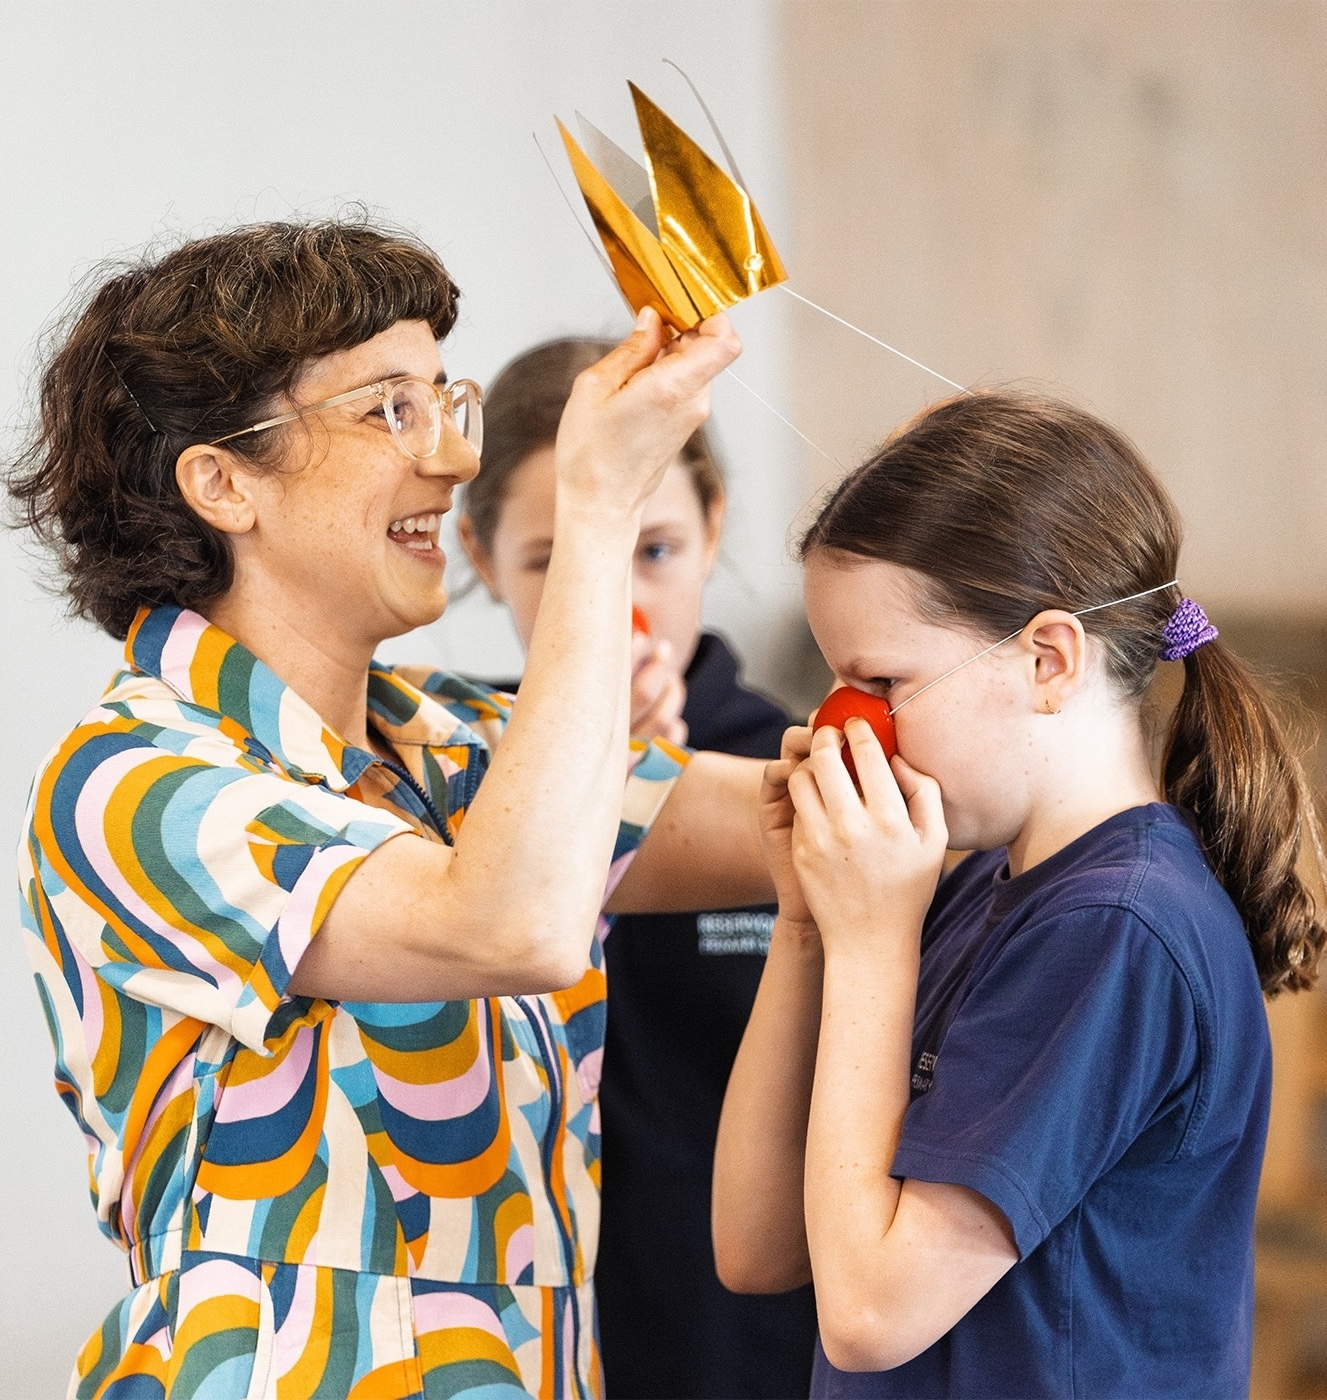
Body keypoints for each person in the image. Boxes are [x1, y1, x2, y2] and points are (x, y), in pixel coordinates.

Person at [8, 217, 777, 1398]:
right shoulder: (134, 782)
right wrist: (599, 512)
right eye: (389, 412)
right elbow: (509, 925)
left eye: (443, 400)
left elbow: (801, 814)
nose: (457, 459)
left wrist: (1073, 656)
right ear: (221, 482)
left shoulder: (450, 738)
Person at [711, 390, 1327, 1397]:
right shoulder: (975, 890)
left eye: (884, 683)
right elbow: (755, 1243)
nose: (844, 727)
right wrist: (806, 922)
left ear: (1048, 658)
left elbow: (869, 1313)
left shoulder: (1114, 929)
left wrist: (872, 940)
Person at [458, 338, 818, 1399]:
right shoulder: (443, 778)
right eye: (559, 559)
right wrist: (590, 789)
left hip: (757, 1343)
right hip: (518, 1341)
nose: (614, 604)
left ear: (713, 528)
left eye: (650, 548)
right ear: (481, 560)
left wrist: (666, 785)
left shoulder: (798, 770)